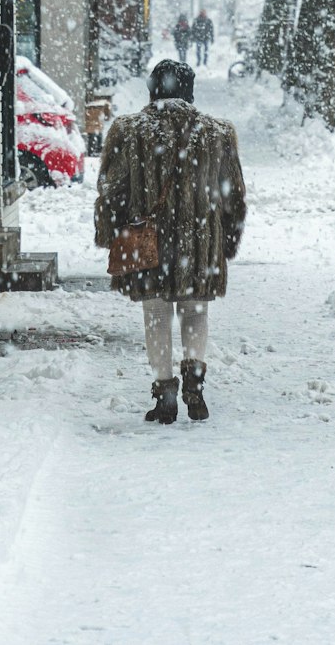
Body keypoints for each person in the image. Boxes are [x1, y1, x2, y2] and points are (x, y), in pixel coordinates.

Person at [94, 59, 246, 424]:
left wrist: (111, 233)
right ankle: (194, 386)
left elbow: (110, 189)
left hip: (150, 242)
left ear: (152, 90)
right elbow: (234, 196)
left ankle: (165, 393)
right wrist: (226, 241)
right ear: (189, 92)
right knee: (195, 311)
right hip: (199, 244)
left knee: (156, 314)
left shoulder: (129, 131)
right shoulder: (217, 133)